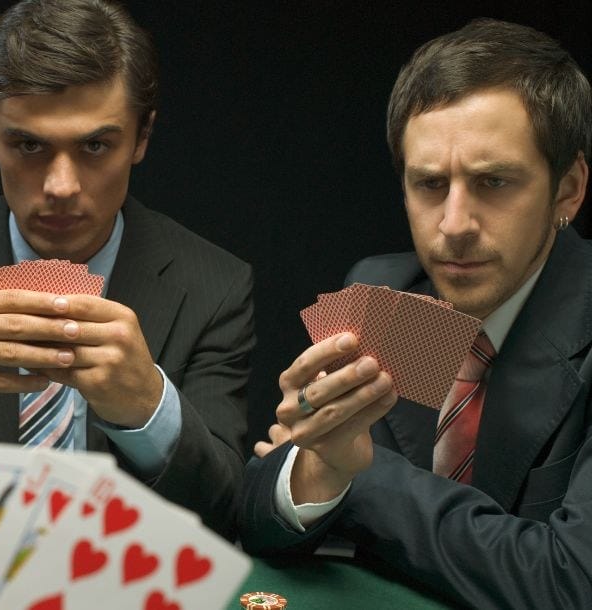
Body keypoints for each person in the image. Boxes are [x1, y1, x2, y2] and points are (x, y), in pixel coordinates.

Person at [0, 0, 254, 537]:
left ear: (143, 137)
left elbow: (225, 514)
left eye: (95, 145)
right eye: (29, 144)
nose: (61, 185)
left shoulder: (215, 287)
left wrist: (150, 408)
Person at [238, 18, 592, 607]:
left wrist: (361, 474)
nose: (453, 225)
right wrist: (317, 474)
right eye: (430, 184)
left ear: (569, 190)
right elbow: (257, 514)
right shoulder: (383, 290)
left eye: (494, 182)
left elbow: (569, 584)